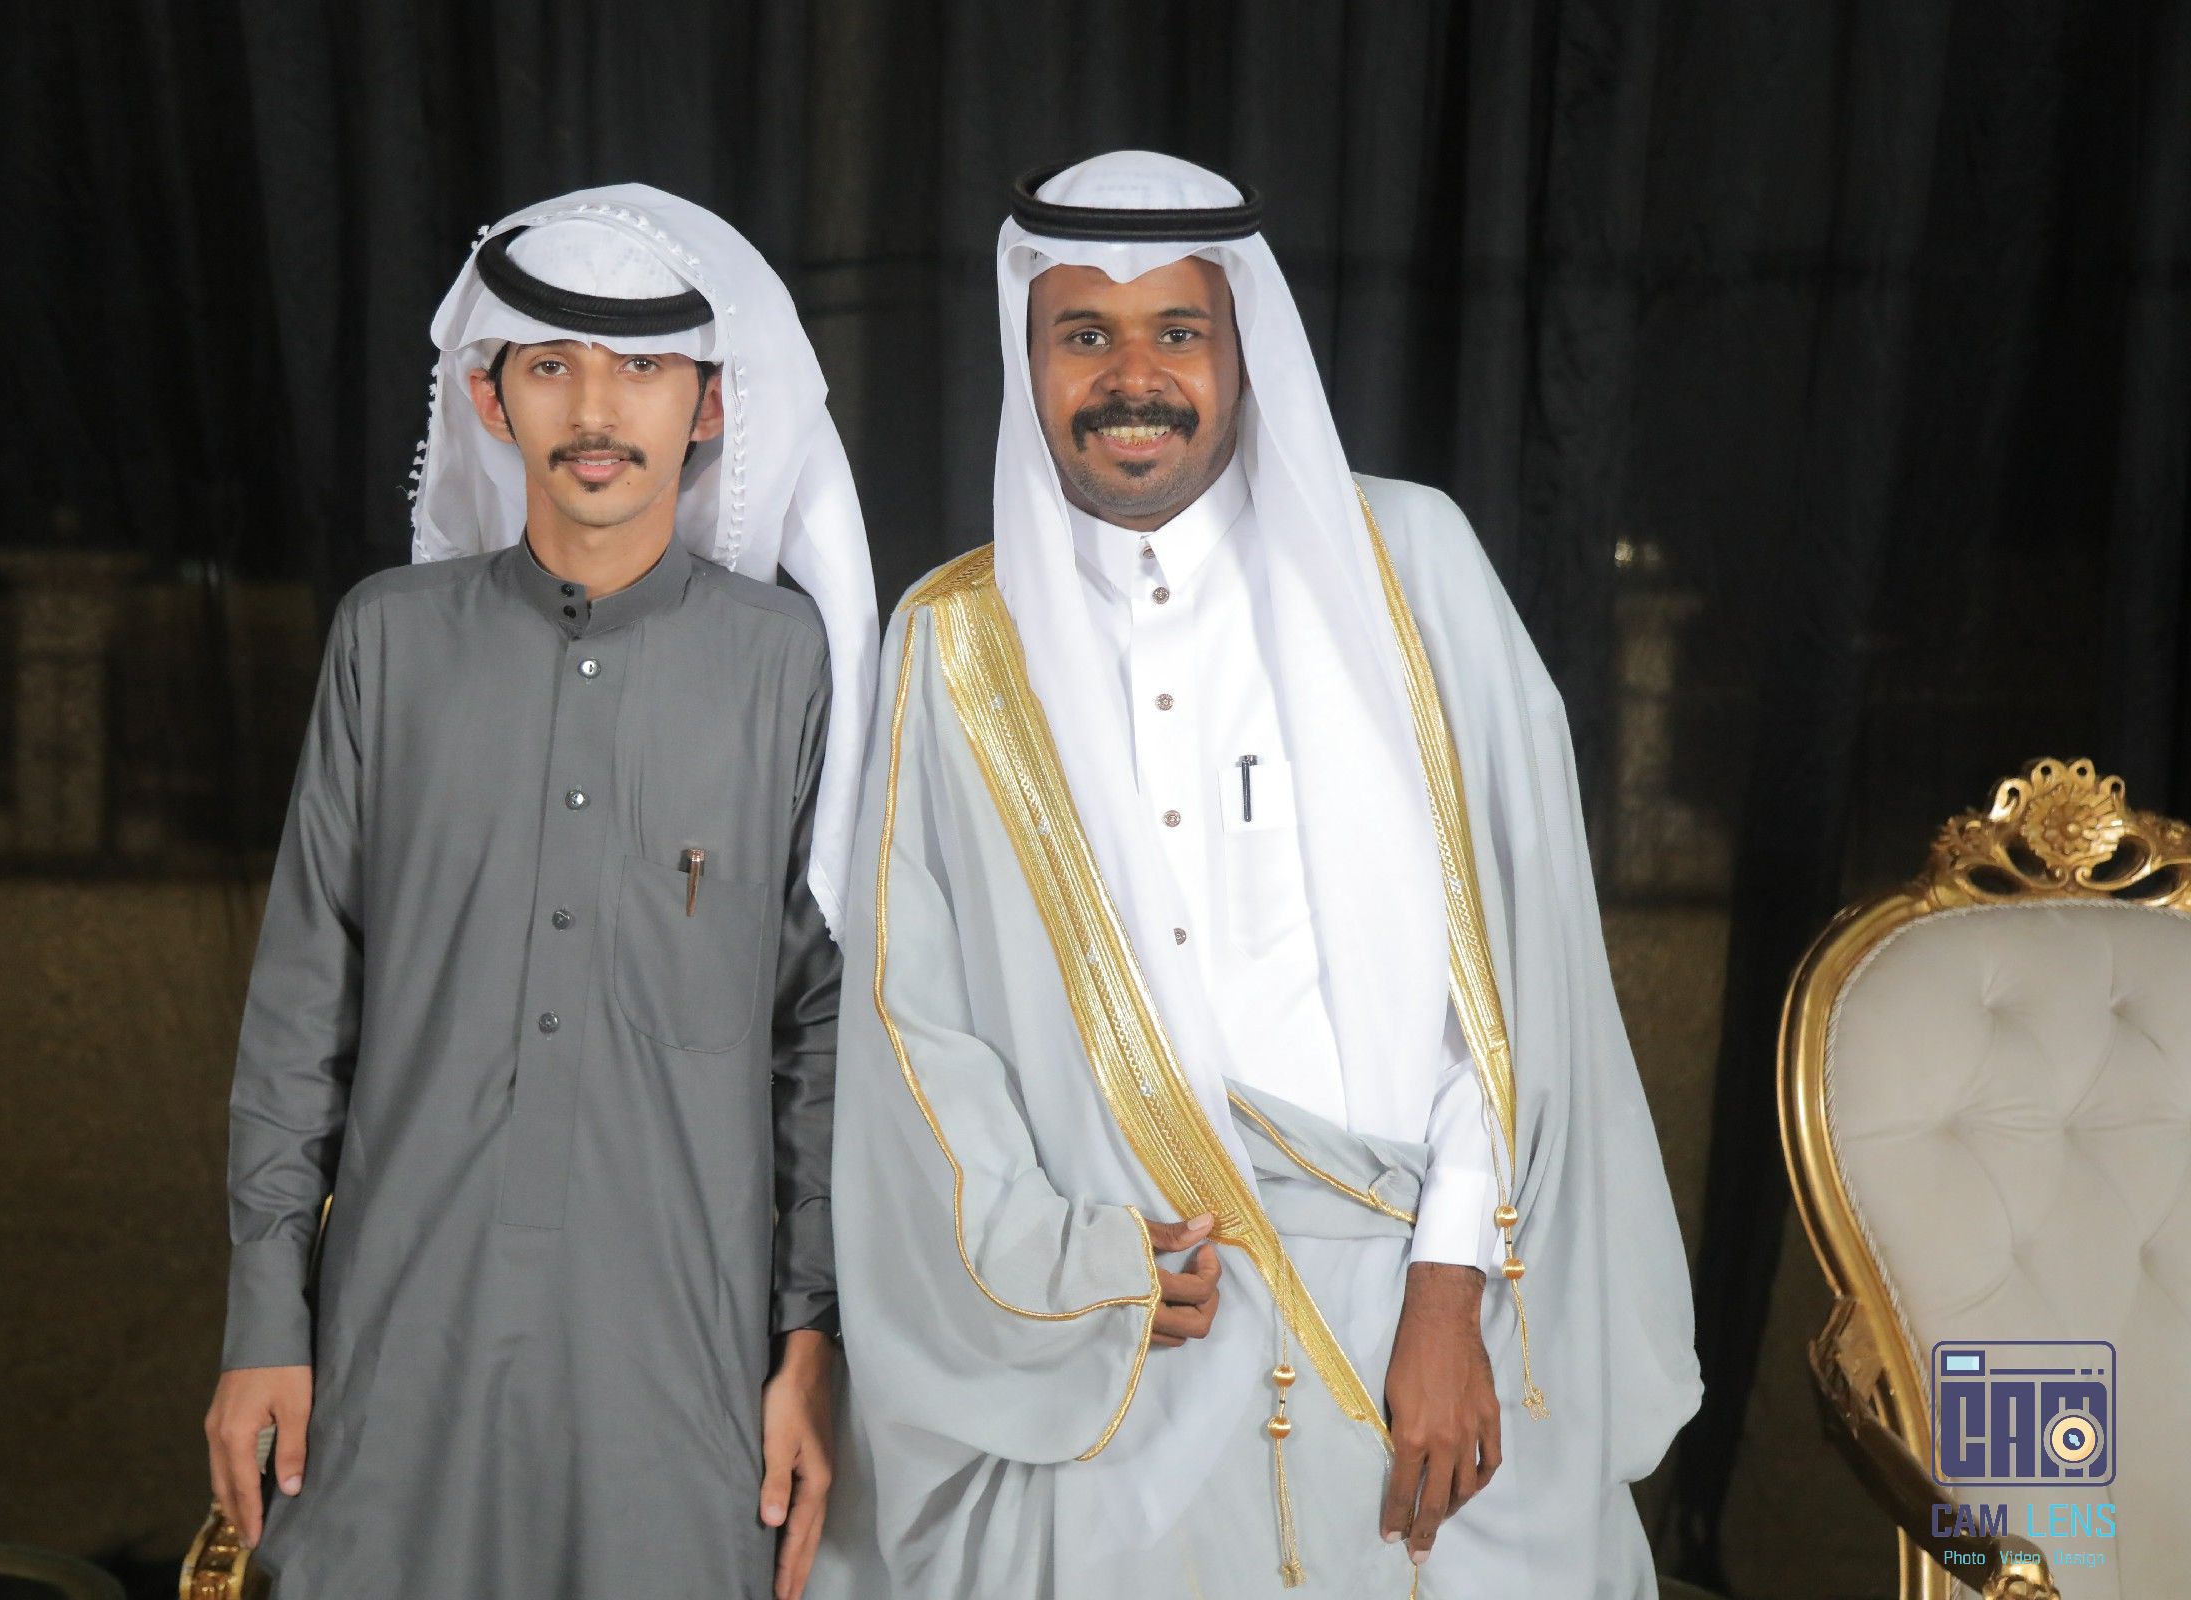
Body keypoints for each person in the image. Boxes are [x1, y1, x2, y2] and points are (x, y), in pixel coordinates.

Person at [812, 151, 1698, 1598]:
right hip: (1128, 1335)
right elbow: (917, 1025)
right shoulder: (955, 643)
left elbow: (1515, 974)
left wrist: (1450, 1289)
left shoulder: (1409, 567)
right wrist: (1070, 1269)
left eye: (1178, 330)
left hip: (1417, 1310)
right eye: (1084, 334)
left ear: (1243, 348)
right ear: (1028, 359)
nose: (1133, 377)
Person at [203, 183, 878, 1600]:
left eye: (643, 368)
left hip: (686, 1362)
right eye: (554, 365)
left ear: (709, 405)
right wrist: (264, 1317)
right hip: (395, 1342)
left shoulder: (786, 667)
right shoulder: (388, 644)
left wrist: (809, 1339)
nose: (596, 410)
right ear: (488, 396)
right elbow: (301, 1008)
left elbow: (824, 1040)